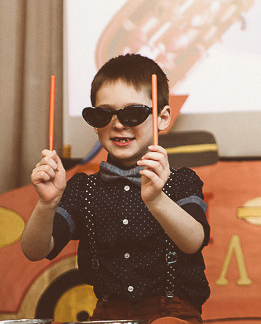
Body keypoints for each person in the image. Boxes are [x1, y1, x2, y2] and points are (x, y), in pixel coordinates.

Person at [21, 53, 210, 324]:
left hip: (172, 314)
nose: (118, 124)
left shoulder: (182, 181)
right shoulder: (82, 189)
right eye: (104, 114)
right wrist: (47, 204)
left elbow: (193, 242)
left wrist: (157, 199)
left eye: (133, 113)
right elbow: (34, 250)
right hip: (107, 315)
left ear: (162, 118)